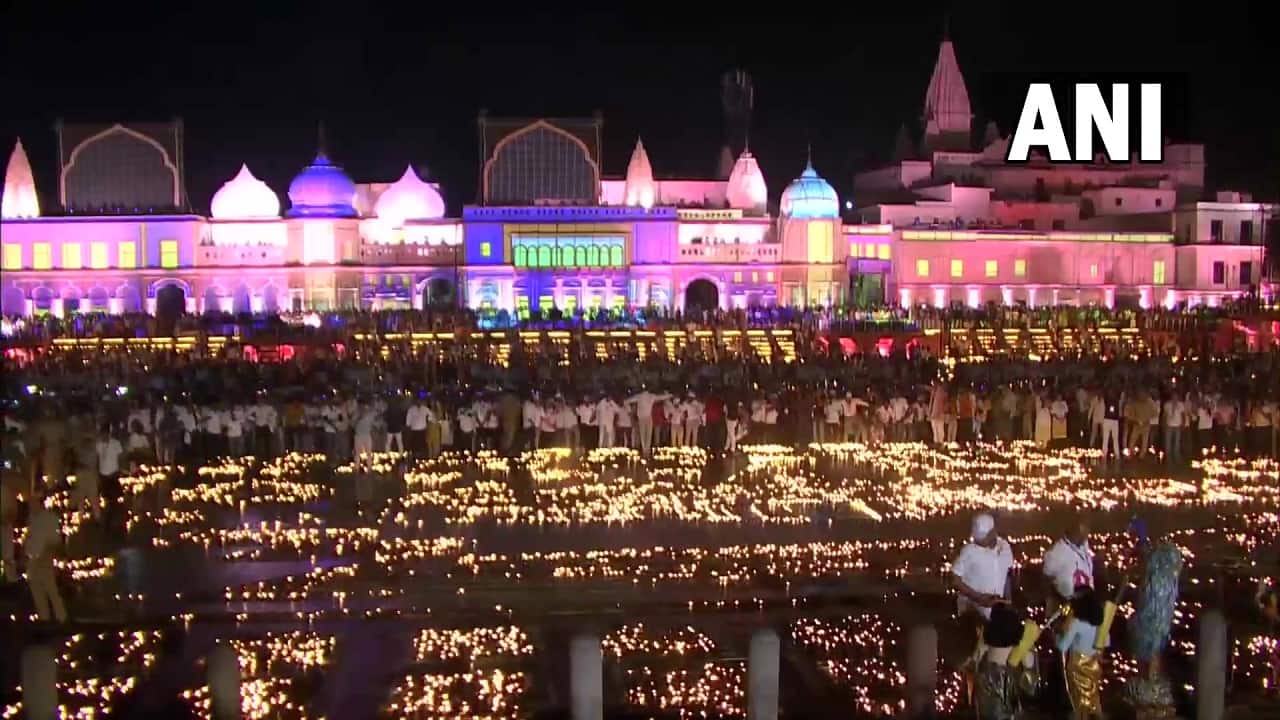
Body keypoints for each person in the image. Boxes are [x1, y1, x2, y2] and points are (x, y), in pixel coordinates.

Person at [973, 602, 1039, 720]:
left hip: (986, 685)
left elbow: (975, 659)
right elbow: (1030, 687)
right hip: (1005, 688)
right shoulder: (1010, 673)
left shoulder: (983, 668)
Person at [1056, 587, 1107, 720]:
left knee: (1079, 700)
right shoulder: (1101, 621)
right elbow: (1105, 642)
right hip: (1094, 664)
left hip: (1078, 666)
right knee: (1094, 697)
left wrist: (1057, 634)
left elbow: (1062, 646)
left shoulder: (1077, 623)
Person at [25, 492, 68, 623]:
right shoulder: (32, 519)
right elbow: (31, 538)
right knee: (37, 591)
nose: (31, 506)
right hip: (33, 559)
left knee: (51, 590)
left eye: (33, 503)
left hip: (45, 558)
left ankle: (61, 619)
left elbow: (55, 540)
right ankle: (44, 619)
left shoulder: (49, 518)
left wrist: (46, 554)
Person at [1042, 518, 1094, 615]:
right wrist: (1052, 602)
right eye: (1087, 530)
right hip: (1068, 607)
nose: (1088, 534)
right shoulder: (1056, 553)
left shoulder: (1083, 545)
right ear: (1080, 529)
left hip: (1086, 606)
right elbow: (1046, 578)